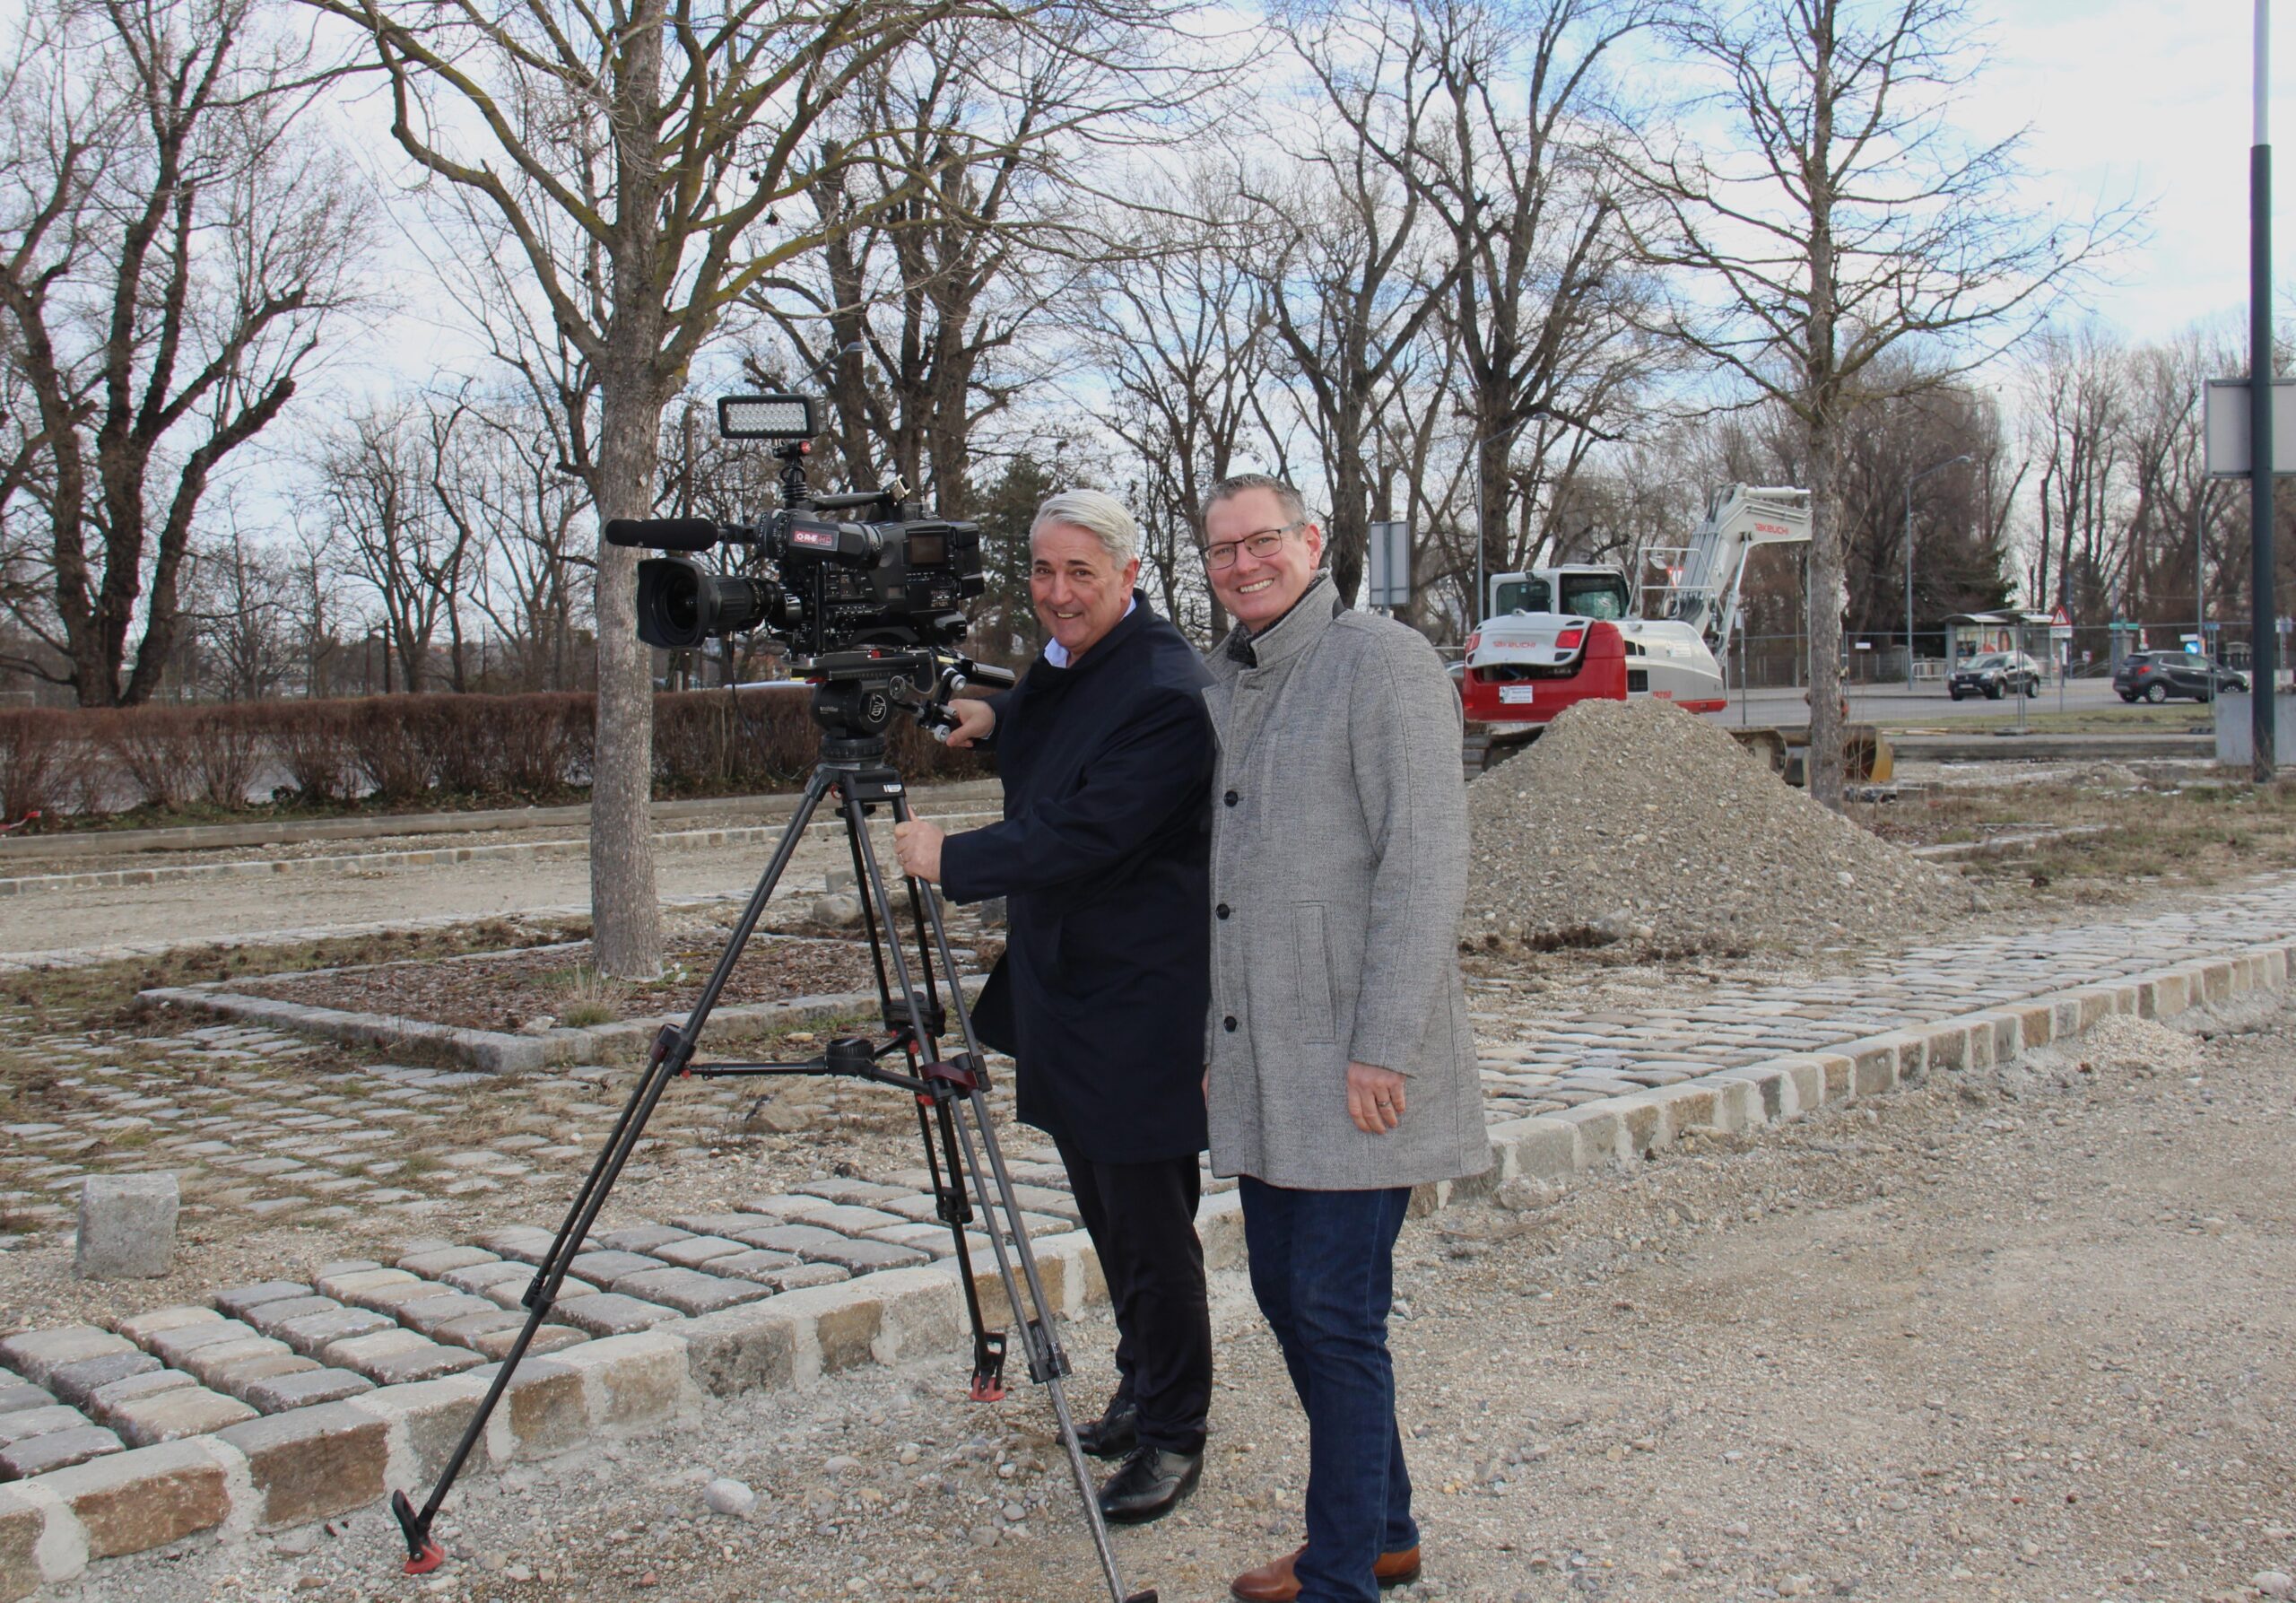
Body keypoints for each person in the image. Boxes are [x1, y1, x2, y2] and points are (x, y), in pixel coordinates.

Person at [891, 488, 1215, 1527]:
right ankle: (1138, 1386)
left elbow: (1089, 827)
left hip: (1139, 999)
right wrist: (996, 719)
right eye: (1042, 570)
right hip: (1068, 983)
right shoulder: (1079, 656)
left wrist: (957, 860)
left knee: (1150, 1226)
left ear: (1129, 574)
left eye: (1080, 572)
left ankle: (1174, 1431)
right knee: (1105, 1210)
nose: (1058, 592)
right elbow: (1056, 715)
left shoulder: (1167, 685)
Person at [1197, 474, 1489, 1603]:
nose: (1242, 563)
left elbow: (1423, 865)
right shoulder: (1232, 674)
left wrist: (1387, 1044)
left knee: (1332, 1308)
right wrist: (1219, 1037)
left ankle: (1340, 1577)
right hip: (1268, 1056)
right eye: (1222, 548)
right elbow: (1231, 882)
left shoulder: (1380, 660)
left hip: (1358, 1062)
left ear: (1311, 542)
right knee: (1290, 1294)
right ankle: (1385, 1529)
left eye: (1262, 540)